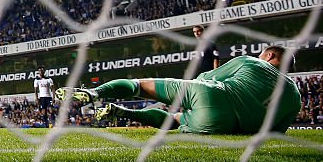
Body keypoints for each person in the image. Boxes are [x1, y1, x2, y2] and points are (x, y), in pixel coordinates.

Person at [56, 45, 301, 134]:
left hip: (212, 95)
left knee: (141, 86)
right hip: (228, 125)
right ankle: (122, 113)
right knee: (174, 120)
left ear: (268, 55)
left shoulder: (252, 61)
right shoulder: (296, 97)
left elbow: (208, 77)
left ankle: (94, 94)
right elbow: (275, 132)